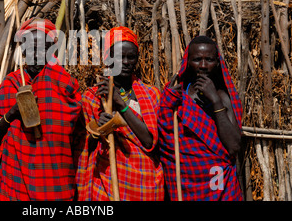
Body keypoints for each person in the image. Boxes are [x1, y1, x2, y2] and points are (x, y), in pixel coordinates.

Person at [0, 17, 83, 201]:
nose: (36, 53)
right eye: (30, 47)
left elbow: (80, 137)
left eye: (42, 48)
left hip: (55, 184)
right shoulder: (10, 85)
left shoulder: (64, 85)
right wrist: (11, 115)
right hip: (15, 184)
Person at [76, 26, 164, 201]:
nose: (125, 62)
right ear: (107, 58)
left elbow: (149, 142)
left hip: (145, 181)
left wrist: (120, 103)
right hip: (107, 179)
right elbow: (85, 148)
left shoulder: (150, 94)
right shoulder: (92, 97)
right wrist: (98, 129)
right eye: (119, 56)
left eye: (131, 57)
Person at [157, 35, 243, 201]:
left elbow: (233, 146)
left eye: (209, 60)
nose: (203, 66)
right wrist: (169, 102)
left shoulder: (223, 97)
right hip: (185, 187)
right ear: (188, 62)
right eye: (197, 59)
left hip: (219, 187)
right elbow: (165, 143)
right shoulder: (177, 98)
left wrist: (216, 101)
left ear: (217, 63)